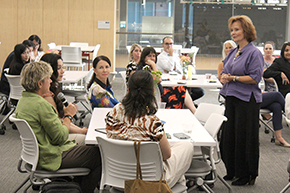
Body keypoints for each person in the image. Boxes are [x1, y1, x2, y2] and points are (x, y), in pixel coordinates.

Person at [15, 61, 102, 193]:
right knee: (100, 155)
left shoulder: (23, 101)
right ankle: (81, 189)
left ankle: (73, 187)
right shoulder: (41, 105)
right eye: (48, 78)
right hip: (50, 156)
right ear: (40, 84)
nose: (51, 81)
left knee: (89, 146)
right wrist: (68, 115)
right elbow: (60, 137)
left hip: (38, 153)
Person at [105, 70, 194, 188]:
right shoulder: (152, 123)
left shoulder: (113, 113)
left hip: (117, 176)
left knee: (178, 153)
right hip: (149, 181)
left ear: (128, 89)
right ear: (152, 92)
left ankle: (179, 185)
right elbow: (166, 155)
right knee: (187, 146)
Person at [219, 15, 263, 186]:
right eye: (232, 30)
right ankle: (233, 170)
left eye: (237, 29)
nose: (233, 33)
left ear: (246, 30)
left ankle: (246, 174)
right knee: (228, 137)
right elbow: (225, 69)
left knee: (244, 138)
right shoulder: (234, 51)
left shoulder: (254, 53)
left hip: (247, 100)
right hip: (231, 97)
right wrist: (224, 76)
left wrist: (233, 78)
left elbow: (254, 77)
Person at [40, 53, 88, 144]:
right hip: (54, 140)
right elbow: (59, 125)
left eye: (62, 67)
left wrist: (81, 130)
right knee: (91, 142)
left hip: (59, 132)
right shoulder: (47, 96)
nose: (63, 71)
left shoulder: (53, 89)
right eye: (59, 68)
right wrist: (80, 130)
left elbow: (61, 121)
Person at [137, 46, 196, 114]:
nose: (152, 58)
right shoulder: (143, 70)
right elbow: (158, 79)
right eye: (149, 56)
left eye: (153, 56)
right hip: (156, 97)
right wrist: (154, 65)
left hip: (162, 92)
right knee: (182, 91)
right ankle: (194, 113)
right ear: (144, 58)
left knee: (182, 89)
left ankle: (193, 112)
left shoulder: (150, 68)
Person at [156, 36, 204, 102]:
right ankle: (183, 103)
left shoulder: (176, 55)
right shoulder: (160, 57)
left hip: (179, 81)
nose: (169, 46)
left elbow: (180, 70)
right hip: (168, 84)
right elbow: (170, 68)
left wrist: (174, 68)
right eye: (167, 44)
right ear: (163, 45)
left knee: (200, 91)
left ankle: (182, 102)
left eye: (171, 44)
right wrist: (171, 55)